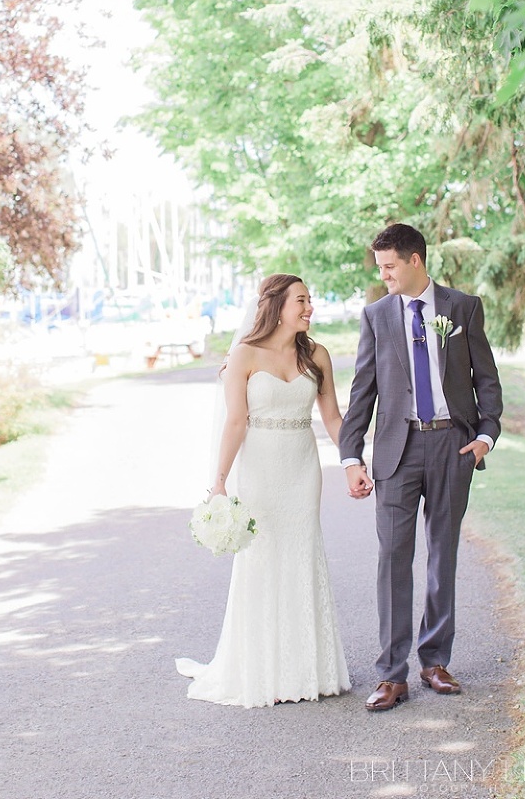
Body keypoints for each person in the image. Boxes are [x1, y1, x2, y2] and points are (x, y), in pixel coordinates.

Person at [339, 223, 503, 712]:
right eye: (380, 267)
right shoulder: (376, 316)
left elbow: (486, 380)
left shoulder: (463, 308)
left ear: (415, 261)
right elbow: (362, 390)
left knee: (442, 555)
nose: (383, 274)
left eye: (389, 266)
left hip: (453, 446)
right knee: (393, 559)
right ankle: (392, 674)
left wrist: (484, 438)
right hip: (396, 449)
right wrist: (352, 456)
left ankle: (434, 661)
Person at [176, 273, 350, 708]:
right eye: (301, 301)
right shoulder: (244, 355)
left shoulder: (318, 355)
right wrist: (218, 481)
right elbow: (236, 420)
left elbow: (332, 418)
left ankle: (309, 669)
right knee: (262, 560)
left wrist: (354, 462)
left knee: (302, 554)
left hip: (302, 467)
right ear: (275, 305)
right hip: (260, 469)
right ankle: (260, 669)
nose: (309, 308)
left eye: (310, 300)